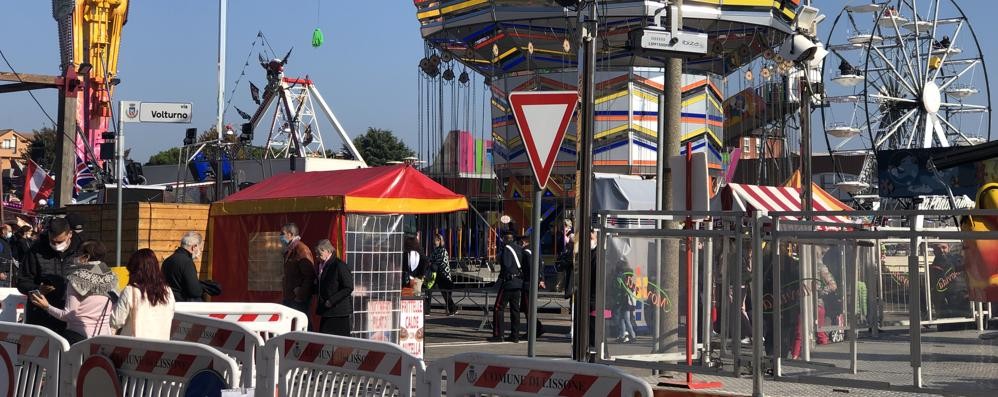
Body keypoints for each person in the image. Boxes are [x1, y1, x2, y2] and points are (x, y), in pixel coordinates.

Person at [28, 240, 117, 344]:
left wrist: (47, 307)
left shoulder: (77, 279)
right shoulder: (111, 276)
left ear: (86, 257)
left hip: (80, 338)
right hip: (104, 337)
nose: (74, 257)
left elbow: (68, 315)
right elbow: (115, 305)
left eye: (77, 253)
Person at [16, 217, 81, 335]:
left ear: (70, 234)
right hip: (41, 317)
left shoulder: (81, 251)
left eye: (60, 242)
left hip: (71, 316)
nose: (56, 245)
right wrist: (36, 289)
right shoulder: (36, 250)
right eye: (52, 241)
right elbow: (22, 281)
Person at [110, 249, 175, 339]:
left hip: (136, 348)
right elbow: (170, 315)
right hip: (161, 346)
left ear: (134, 271)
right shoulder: (168, 291)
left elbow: (116, 321)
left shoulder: (130, 291)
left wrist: (112, 307)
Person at [488, 230, 523, 343]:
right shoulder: (519, 248)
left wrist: (501, 278)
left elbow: (506, 265)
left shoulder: (506, 249)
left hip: (508, 282)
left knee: (498, 308)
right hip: (518, 282)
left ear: (505, 239)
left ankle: (499, 334)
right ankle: (515, 335)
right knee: (515, 310)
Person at [315, 239, 353, 336]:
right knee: (325, 340)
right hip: (327, 311)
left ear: (328, 251)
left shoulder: (339, 265)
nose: (317, 256)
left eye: (319, 253)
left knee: (340, 342)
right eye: (316, 253)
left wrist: (331, 301)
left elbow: (348, 287)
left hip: (338, 312)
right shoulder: (321, 266)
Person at [280, 223, 316, 316]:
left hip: (297, 298)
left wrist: (300, 294)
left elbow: (310, 275)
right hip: (290, 295)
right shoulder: (290, 249)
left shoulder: (301, 250)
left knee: (302, 324)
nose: (280, 236)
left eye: (282, 233)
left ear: (290, 234)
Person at [161, 231, 204, 302]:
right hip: (183, 306)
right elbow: (195, 291)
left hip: (168, 303)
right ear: (194, 247)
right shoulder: (187, 262)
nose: (200, 253)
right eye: (200, 249)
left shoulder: (167, 261)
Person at [518, 234, 545, 340]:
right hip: (533, 283)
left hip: (528, 284)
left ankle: (534, 330)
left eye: (521, 241)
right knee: (528, 308)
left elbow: (529, 268)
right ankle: (537, 328)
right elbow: (541, 265)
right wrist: (541, 279)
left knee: (528, 309)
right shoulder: (534, 251)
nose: (520, 244)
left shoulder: (526, 252)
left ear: (525, 241)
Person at [425, 233, 457, 316]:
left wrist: (431, 263)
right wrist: (430, 263)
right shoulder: (435, 250)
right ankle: (426, 310)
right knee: (428, 290)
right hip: (435, 274)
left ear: (440, 241)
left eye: (437, 240)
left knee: (445, 293)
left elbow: (439, 262)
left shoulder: (443, 250)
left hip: (443, 275)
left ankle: (453, 309)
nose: (435, 241)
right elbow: (430, 260)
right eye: (435, 240)